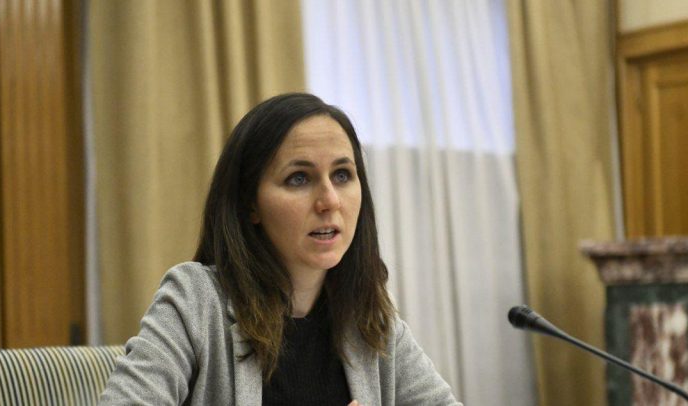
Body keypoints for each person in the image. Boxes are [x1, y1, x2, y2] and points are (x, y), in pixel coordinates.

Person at [99, 93, 461, 405]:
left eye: (342, 175)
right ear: (250, 204)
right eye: (298, 178)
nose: (330, 201)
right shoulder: (195, 301)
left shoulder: (370, 316)